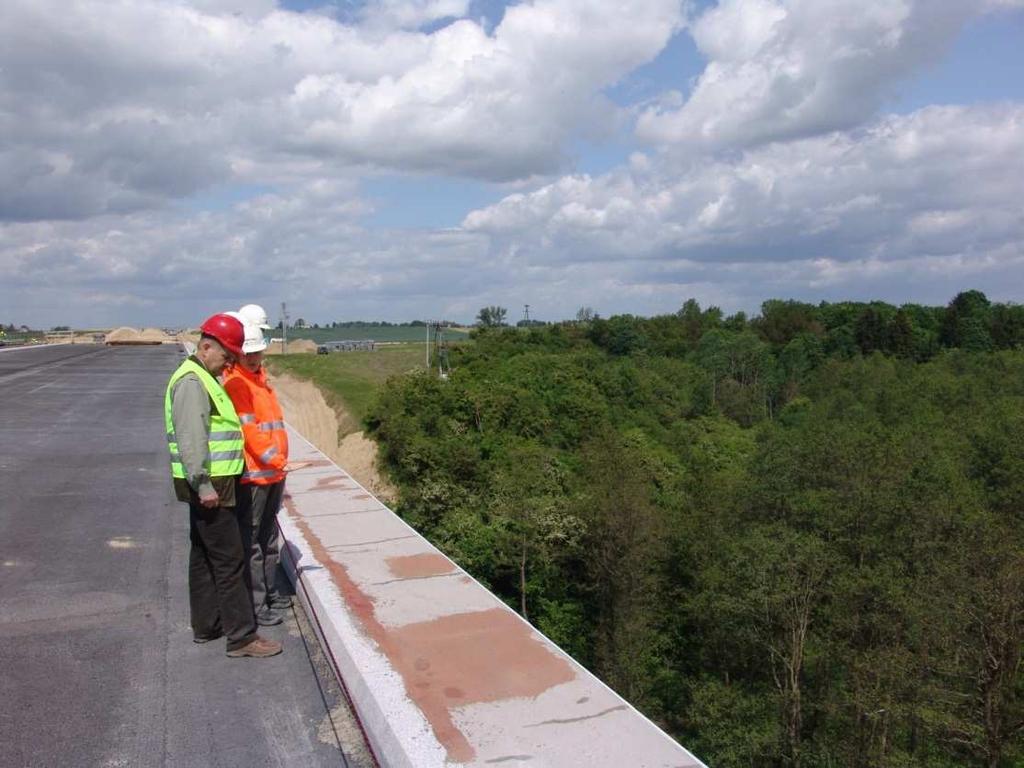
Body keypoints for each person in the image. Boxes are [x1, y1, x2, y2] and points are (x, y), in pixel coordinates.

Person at [164, 313, 282, 658]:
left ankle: (207, 625)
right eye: (226, 356)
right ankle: (242, 637)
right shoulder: (192, 382)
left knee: (203, 555)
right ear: (206, 347)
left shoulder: (202, 376)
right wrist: (203, 485)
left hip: (217, 482)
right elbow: (191, 440)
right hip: (211, 485)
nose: (228, 363)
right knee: (230, 559)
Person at [223, 319, 293, 626]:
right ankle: (257, 604)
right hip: (256, 475)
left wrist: (277, 464)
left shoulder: (260, 380)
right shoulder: (238, 383)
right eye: (248, 353)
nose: (253, 358)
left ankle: (271, 594)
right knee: (253, 541)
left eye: (257, 353)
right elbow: (249, 431)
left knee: (268, 538)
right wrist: (274, 459)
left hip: (273, 473)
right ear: (237, 353)